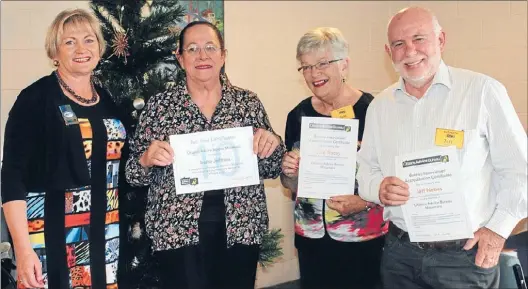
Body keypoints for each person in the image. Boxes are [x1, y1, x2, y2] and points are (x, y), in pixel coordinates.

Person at [357, 6, 528, 289]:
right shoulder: (379, 107)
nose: (410, 51)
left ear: (441, 40)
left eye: (419, 38)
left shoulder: (483, 91)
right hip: (400, 253)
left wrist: (497, 231)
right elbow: (365, 171)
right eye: (398, 44)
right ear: (389, 53)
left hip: (463, 256)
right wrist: (379, 187)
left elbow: (521, 171)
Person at [125, 21, 285, 289]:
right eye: (192, 49)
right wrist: (146, 159)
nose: (202, 56)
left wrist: (272, 144)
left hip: (241, 227)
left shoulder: (247, 103)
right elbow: (132, 174)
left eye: (211, 47)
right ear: (180, 57)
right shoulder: (160, 107)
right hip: (176, 231)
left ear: (223, 55)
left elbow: (271, 167)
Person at [1, 8, 127, 289]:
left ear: (99, 47)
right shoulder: (35, 98)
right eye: (69, 41)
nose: (81, 48)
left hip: (104, 236)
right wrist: (22, 250)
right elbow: (12, 176)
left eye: (89, 39)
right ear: (54, 52)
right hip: (50, 238)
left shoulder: (105, 99)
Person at [280, 27, 387, 289]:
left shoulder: (375, 111)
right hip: (312, 241)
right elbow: (290, 185)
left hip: (363, 241)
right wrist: (290, 173)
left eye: (323, 63)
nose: (314, 73)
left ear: (344, 66)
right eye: (305, 67)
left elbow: (391, 177)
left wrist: (363, 201)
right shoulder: (298, 115)